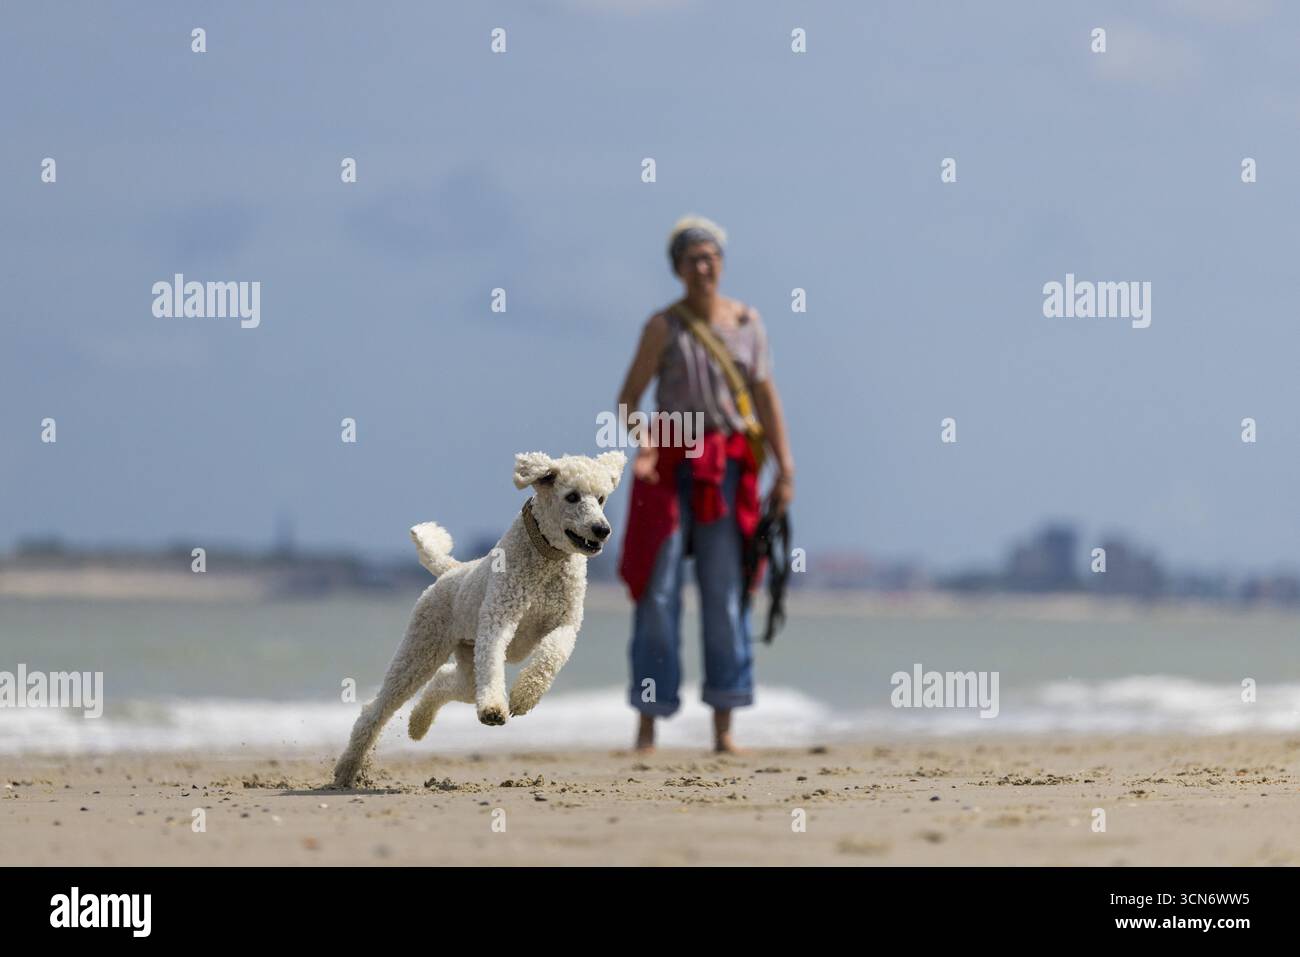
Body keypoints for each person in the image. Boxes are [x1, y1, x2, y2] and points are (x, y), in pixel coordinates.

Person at [615, 215, 795, 753]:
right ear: (677, 269)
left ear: (722, 264)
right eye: (692, 259)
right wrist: (645, 442)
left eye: (710, 257)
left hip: (731, 464)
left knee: (726, 592)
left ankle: (725, 727)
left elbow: (766, 396)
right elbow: (627, 401)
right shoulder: (662, 327)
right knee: (658, 588)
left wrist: (786, 469)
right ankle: (647, 724)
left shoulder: (746, 322)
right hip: (670, 462)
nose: (703, 267)